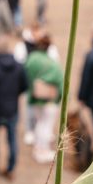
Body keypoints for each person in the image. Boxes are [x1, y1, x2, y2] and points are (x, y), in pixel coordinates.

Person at [0, 36, 28, 180]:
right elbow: (25, 86)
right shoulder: (19, 67)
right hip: (12, 109)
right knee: (12, 138)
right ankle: (10, 167)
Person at [24, 33, 62, 163]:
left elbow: (27, 76)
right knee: (46, 125)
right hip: (50, 100)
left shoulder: (31, 59)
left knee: (39, 122)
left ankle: (38, 148)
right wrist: (61, 97)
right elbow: (59, 80)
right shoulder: (52, 63)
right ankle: (43, 151)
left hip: (35, 98)